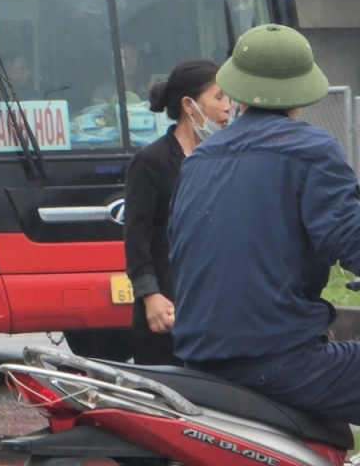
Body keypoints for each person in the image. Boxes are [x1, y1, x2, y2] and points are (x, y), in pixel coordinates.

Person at [168, 24, 360, 422]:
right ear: (304, 89)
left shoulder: (201, 159)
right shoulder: (311, 150)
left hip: (199, 361)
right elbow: (351, 236)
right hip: (277, 361)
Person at [123, 59, 232, 365]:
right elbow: (137, 235)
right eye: (219, 97)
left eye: (229, 99)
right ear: (189, 105)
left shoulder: (225, 158)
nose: (228, 108)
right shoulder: (151, 161)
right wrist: (150, 295)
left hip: (217, 309)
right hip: (168, 309)